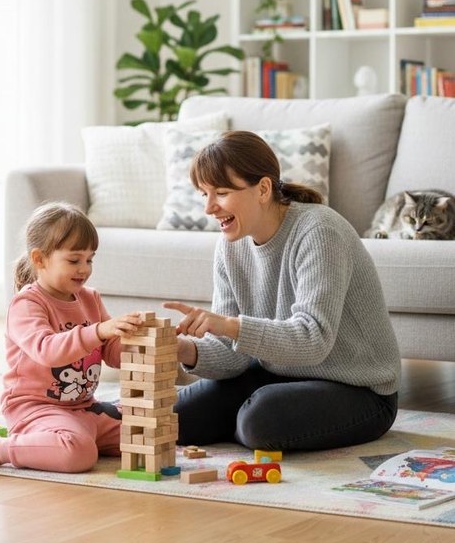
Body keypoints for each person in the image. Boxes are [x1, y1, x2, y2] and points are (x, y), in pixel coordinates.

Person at [166, 131, 401, 453]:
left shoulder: (319, 231)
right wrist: (180, 348)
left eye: (220, 192)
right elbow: (232, 358)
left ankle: (239, 420)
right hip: (277, 375)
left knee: (259, 421)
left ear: (263, 189)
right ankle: (238, 418)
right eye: (203, 193)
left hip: (359, 389)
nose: (209, 207)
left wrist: (228, 325)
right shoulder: (231, 246)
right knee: (173, 418)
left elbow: (313, 339)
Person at [0, 202, 144, 476]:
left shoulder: (90, 298)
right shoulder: (26, 304)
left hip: (83, 407)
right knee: (78, 452)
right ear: (39, 259)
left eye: (89, 259)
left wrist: (145, 340)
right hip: (36, 408)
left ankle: (72, 439)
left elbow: (112, 353)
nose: (84, 268)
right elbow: (48, 350)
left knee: (145, 432)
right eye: (74, 260)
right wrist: (99, 331)